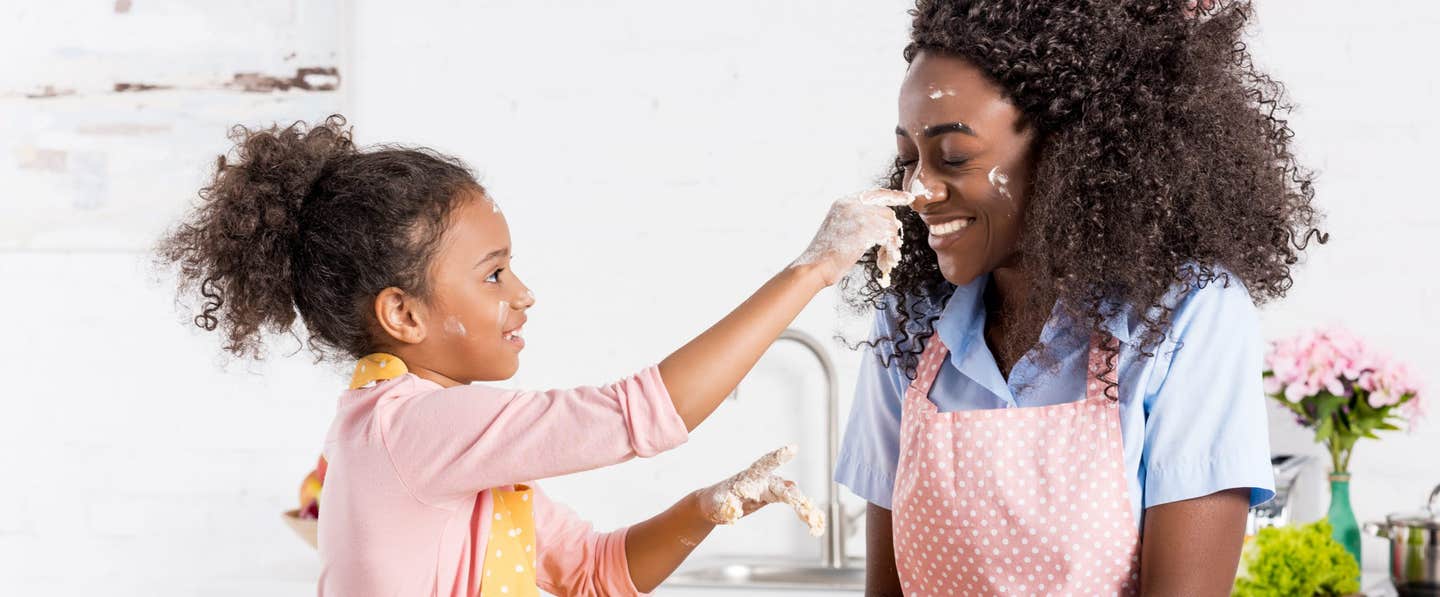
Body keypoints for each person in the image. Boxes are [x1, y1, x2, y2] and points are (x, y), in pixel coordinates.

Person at [158, 116, 909, 596]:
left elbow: (593, 573)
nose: (524, 294)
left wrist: (704, 509)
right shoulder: (411, 430)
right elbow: (636, 415)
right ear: (404, 313)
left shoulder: (435, 450)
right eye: (493, 273)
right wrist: (814, 267)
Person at [834, 1, 1325, 594]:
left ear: (1070, 152)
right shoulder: (910, 322)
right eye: (910, 160)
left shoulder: (1187, 315)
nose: (919, 192)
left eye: (955, 157)